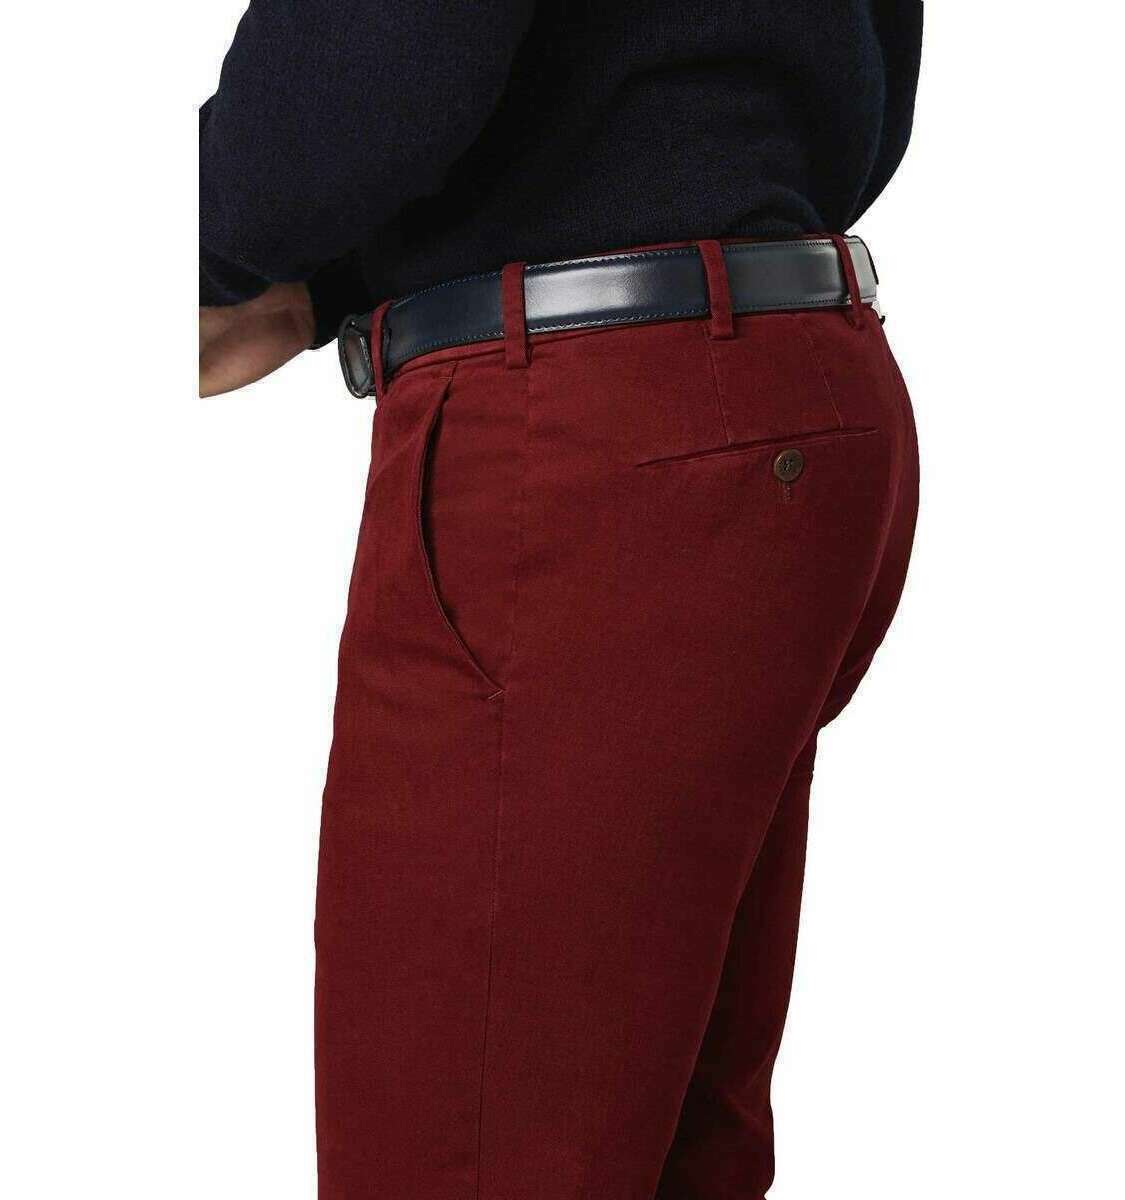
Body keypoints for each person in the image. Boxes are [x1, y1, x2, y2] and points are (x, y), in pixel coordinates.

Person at [199, 2, 924, 1195]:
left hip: (597, 434)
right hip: (794, 385)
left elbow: (375, 70)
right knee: (672, 1148)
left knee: (466, 1159)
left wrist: (212, 244)